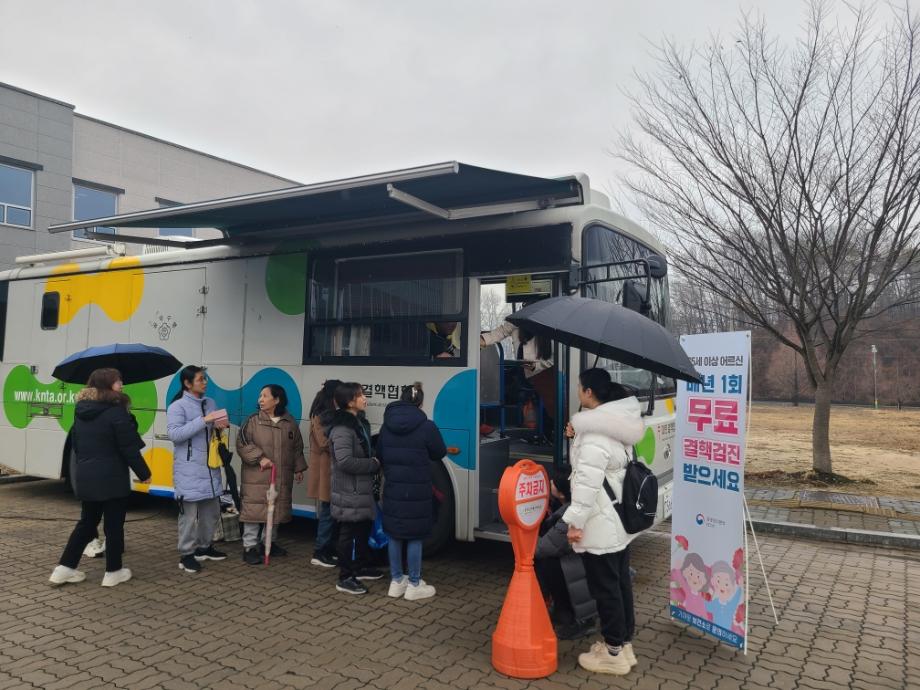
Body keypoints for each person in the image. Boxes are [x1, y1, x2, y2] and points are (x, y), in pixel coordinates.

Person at [564, 368, 644, 676]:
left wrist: (575, 522)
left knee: (605, 587)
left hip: (600, 520)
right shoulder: (616, 426)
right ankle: (623, 646)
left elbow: (586, 483)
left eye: (579, 387)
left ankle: (612, 654)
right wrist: (576, 439)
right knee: (620, 582)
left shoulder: (595, 432)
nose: (577, 391)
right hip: (617, 521)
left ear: (588, 393)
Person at [49, 368, 151, 588]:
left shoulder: (81, 411)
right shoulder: (116, 412)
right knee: (113, 525)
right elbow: (129, 447)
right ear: (107, 385)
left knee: (87, 523)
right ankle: (113, 572)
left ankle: (63, 569)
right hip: (112, 477)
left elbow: (76, 444)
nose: (121, 384)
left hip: (86, 476)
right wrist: (144, 473)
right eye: (118, 381)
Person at [376, 382, 447, 601]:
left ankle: (397, 581)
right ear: (420, 403)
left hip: (394, 487)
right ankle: (414, 583)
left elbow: (380, 453)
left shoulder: (386, 426)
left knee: (394, 533)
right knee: (415, 535)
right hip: (417, 488)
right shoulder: (426, 426)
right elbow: (439, 452)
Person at [167, 365, 230, 574]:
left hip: (210, 468)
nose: (205, 383)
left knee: (211, 512)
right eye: (201, 379)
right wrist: (204, 420)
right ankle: (186, 555)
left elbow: (209, 429)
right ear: (187, 383)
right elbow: (175, 435)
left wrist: (219, 425)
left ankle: (205, 547)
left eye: (205, 379)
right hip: (189, 470)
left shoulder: (209, 403)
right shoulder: (178, 406)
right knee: (189, 515)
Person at [236, 384, 307, 565]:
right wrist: (259, 458)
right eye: (260, 396)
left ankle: (269, 542)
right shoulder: (252, 421)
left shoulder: (289, 422)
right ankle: (250, 547)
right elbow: (242, 443)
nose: (260, 399)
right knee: (254, 510)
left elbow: (297, 447)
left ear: (277, 400)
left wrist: (299, 468)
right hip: (257, 478)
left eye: (265, 396)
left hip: (281, 476)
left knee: (275, 510)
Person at [328, 382, 384, 594]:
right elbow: (344, 461)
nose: (364, 398)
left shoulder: (357, 423)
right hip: (348, 490)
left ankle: (359, 567)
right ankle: (345, 577)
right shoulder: (343, 428)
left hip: (359, 489)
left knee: (361, 528)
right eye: (360, 395)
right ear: (350, 402)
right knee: (347, 533)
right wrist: (373, 464)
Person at [534, 468, 598, 639]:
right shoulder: (570, 505)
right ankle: (563, 610)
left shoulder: (569, 515)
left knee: (547, 564)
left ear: (561, 493)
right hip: (592, 563)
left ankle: (573, 618)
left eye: (553, 482)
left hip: (582, 570)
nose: (549, 483)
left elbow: (542, 549)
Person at [480, 307, 556, 428]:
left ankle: (548, 428)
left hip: (543, 372)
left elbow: (554, 359)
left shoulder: (549, 329)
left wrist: (536, 366)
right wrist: (482, 340)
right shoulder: (517, 323)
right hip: (522, 371)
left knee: (550, 403)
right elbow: (500, 332)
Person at [307, 379, 342, 568]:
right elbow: (324, 443)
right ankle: (320, 551)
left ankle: (328, 548)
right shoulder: (320, 416)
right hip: (325, 470)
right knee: (327, 512)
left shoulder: (331, 414)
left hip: (330, 469)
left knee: (332, 511)